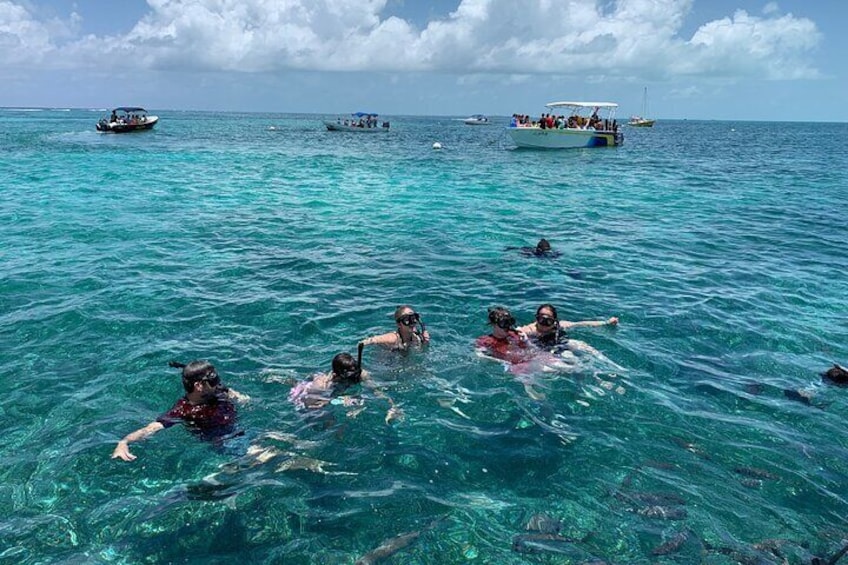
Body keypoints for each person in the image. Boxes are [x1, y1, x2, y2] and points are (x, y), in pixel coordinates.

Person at [111, 360, 246, 462]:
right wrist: (124, 442)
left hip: (240, 429)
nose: (218, 383)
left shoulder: (216, 389)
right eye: (213, 381)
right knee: (256, 457)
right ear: (199, 386)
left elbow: (232, 393)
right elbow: (150, 429)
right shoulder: (183, 411)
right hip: (224, 442)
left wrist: (241, 398)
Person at [288, 345, 403, 424]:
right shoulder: (322, 384)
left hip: (338, 391)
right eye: (348, 377)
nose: (351, 379)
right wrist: (333, 401)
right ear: (336, 375)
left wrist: (392, 406)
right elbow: (309, 404)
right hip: (307, 390)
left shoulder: (360, 374)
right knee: (327, 420)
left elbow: (377, 391)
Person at [517, 304, 618, 356]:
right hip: (542, 349)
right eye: (541, 319)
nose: (544, 324)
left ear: (554, 321)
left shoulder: (560, 325)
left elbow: (581, 324)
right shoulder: (530, 330)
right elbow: (514, 333)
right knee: (570, 358)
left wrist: (606, 323)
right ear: (536, 318)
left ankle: (610, 364)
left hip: (560, 344)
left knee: (582, 345)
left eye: (548, 321)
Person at [359, 305, 430, 351]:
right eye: (407, 320)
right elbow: (369, 341)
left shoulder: (417, 338)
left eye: (413, 318)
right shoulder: (392, 338)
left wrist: (425, 342)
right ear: (399, 324)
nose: (411, 323)